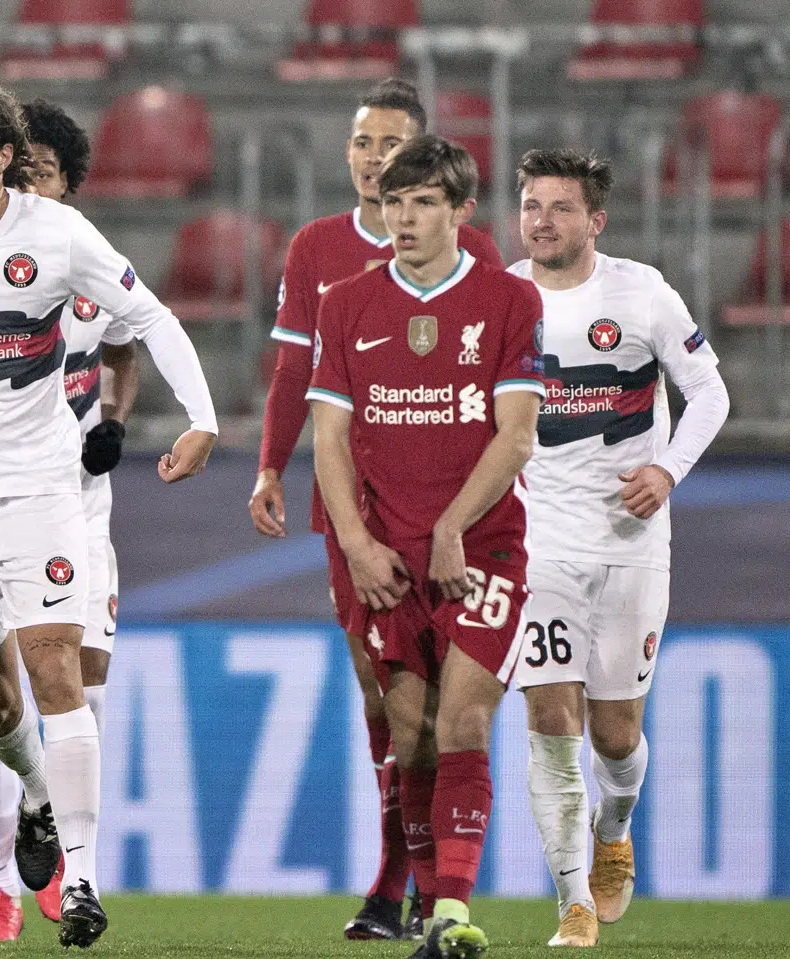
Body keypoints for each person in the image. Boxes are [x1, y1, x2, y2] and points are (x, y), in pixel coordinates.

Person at [0, 66, 216, 949]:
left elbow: (151, 319)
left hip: (42, 486)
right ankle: (29, 810)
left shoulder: (59, 236)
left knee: (61, 674)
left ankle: (83, 879)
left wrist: (204, 416)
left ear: (3, 159)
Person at [248, 78, 503, 941]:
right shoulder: (317, 249)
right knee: (382, 694)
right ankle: (407, 871)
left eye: (391, 144)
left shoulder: (480, 256)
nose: (372, 157)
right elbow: (293, 374)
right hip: (349, 510)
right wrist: (270, 468)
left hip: (442, 513)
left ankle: (408, 880)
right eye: (362, 142)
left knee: (440, 707)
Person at [308, 135, 544, 959]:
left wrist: (453, 526)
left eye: (423, 203)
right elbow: (329, 442)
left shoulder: (509, 302)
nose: (402, 218)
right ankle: (426, 903)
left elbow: (515, 436)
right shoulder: (344, 304)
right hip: (388, 559)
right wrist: (359, 545)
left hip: (484, 550)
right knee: (407, 734)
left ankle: (451, 911)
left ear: (461, 212)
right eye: (392, 202)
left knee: (464, 719)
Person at [0, 97, 140, 944]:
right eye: (18, 174)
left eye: (41, 174)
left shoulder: (85, 262)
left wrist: (116, 420)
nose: (26, 188)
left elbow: (126, 348)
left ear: (69, 182)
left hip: (75, 504)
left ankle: (59, 838)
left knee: (80, 683)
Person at [507, 148, 730, 947]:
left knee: (613, 735)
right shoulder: (501, 298)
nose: (542, 220)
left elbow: (710, 391)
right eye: (532, 204)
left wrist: (667, 471)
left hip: (633, 539)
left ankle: (617, 824)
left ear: (595, 221)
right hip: (536, 544)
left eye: (560, 208)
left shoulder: (641, 293)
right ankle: (572, 902)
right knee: (552, 721)